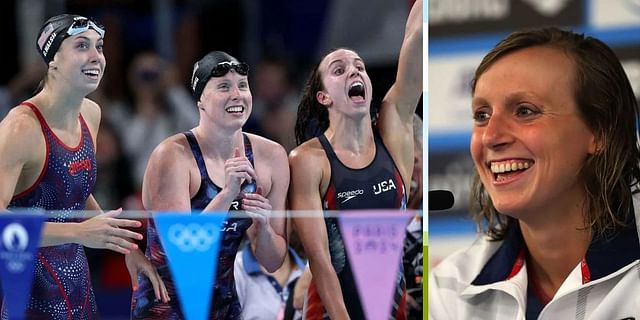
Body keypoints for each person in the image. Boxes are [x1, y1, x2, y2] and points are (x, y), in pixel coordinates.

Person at [429, 27, 640, 319]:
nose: (491, 136)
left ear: (599, 131)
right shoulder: (448, 289)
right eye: (482, 115)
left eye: (525, 111)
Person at [0, 14, 165, 318]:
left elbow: (70, 192)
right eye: (81, 46)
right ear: (53, 61)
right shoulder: (20, 129)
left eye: (99, 47)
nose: (96, 57)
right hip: (25, 293)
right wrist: (78, 233)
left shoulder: (90, 114)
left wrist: (125, 248)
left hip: (78, 289)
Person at [288, 0, 422, 318]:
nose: (354, 71)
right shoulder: (308, 159)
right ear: (324, 97)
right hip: (329, 311)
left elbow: (416, 36)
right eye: (340, 70)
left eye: (359, 66)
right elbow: (320, 259)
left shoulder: (394, 135)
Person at [130, 50, 289, 319]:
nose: (237, 94)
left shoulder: (271, 157)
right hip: (166, 307)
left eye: (242, 85)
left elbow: (273, 262)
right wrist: (227, 194)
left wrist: (262, 229)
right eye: (224, 87)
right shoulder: (172, 156)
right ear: (200, 101)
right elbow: (182, 256)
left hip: (224, 307)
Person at [234, 225, 305, 320]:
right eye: (250, 213)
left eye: (272, 211)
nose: (259, 220)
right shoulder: (233, 269)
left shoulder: (309, 272)